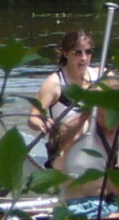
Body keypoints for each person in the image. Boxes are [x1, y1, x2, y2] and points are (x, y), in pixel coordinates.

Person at [52, 74, 119, 219]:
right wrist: (87, 111)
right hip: (82, 206)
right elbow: (57, 142)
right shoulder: (83, 125)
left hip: (114, 205)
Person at [29, 29, 96, 166]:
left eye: (88, 52)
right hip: (63, 150)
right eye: (78, 52)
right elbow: (32, 118)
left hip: (95, 148)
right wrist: (43, 123)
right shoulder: (54, 83)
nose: (84, 58)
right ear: (66, 54)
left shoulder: (100, 75)